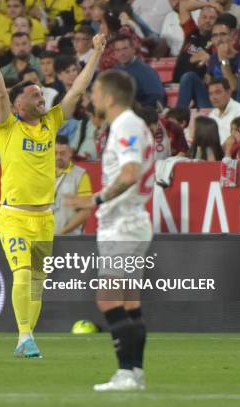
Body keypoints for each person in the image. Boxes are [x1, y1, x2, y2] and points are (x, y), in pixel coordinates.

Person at [0, 32, 105, 358]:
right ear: (18, 105)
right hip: (14, 215)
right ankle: (25, 335)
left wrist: (95, 53)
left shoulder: (51, 123)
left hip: (44, 218)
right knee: (22, 274)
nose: (42, 97)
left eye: (42, 92)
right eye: (35, 94)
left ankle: (26, 339)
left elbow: (78, 89)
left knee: (37, 282)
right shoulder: (8, 125)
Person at [64, 69, 155, 391]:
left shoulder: (125, 125)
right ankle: (135, 372)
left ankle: (126, 374)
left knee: (107, 299)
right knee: (130, 303)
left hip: (123, 225)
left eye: (96, 92)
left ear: (109, 96)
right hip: (132, 223)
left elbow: (130, 173)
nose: (92, 98)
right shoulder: (134, 124)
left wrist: (95, 199)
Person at [112, 35, 165, 108]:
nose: (122, 53)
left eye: (125, 49)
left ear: (133, 49)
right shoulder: (114, 70)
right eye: (118, 50)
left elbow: (157, 98)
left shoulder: (146, 71)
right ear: (114, 53)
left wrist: (137, 107)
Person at [53, 135, 92, 235]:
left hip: (70, 239)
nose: (58, 157)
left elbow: (85, 212)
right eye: (55, 153)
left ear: (70, 153)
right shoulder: (43, 174)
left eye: (62, 153)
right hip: (45, 239)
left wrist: (62, 233)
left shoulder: (80, 175)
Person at [207, 78, 240, 145]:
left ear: (229, 92)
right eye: (210, 94)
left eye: (217, 92)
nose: (213, 97)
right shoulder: (211, 115)